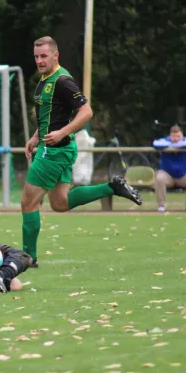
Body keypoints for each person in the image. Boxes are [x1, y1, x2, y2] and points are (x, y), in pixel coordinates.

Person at [22, 36, 142, 268]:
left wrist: (61, 133)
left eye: (44, 56)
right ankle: (113, 186)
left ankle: (28, 258)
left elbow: (86, 112)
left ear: (56, 55)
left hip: (54, 150)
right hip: (56, 147)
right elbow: (52, 113)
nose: (39, 60)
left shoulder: (63, 81)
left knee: (28, 202)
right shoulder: (45, 79)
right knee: (60, 203)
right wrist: (36, 136)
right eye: (36, 56)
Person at [152, 124, 186, 212]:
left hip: (183, 175)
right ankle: (161, 207)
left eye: (178, 136)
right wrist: (172, 145)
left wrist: (176, 145)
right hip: (168, 175)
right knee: (159, 178)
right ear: (170, 136)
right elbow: (156, 143)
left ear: (182, 135)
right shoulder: (165, 141)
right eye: (173, 136)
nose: (176, 138)